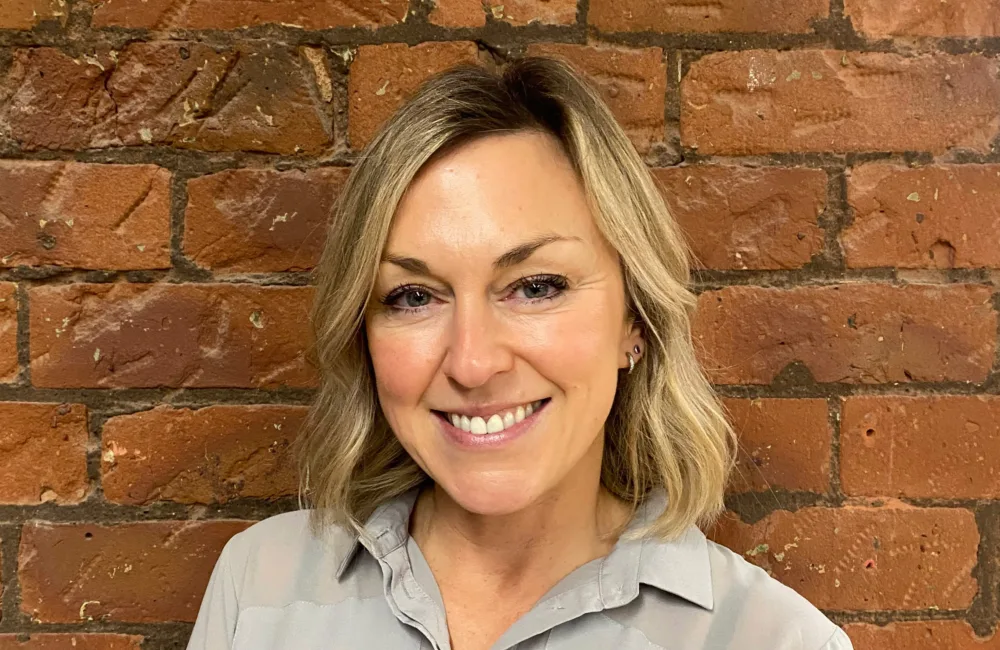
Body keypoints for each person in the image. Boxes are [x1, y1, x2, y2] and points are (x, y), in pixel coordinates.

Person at [186, 56, 854, 650]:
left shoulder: (772, 638)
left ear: (635, 322)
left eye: (536, 287)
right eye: (413, 297)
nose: (473, 364)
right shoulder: (261, 586)